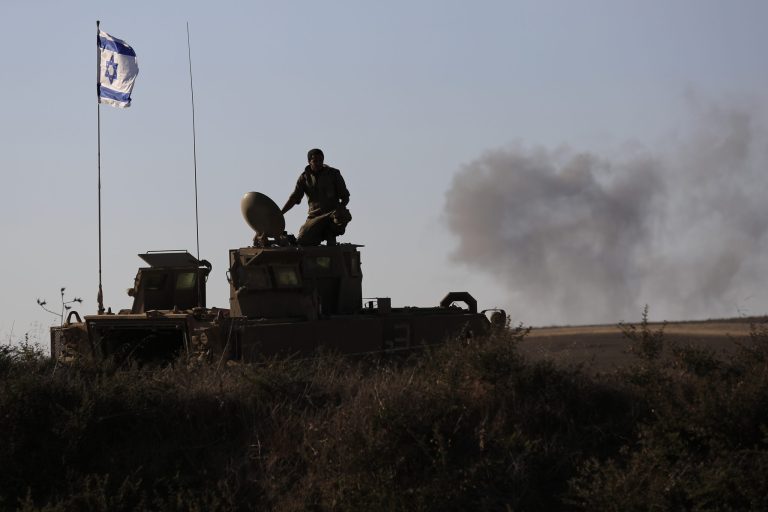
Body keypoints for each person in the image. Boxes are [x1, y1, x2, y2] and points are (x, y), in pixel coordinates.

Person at [281, 148, 351, 246]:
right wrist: (281, 213)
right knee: (302, 241)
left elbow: (345, 196)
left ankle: (330, 233)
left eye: (321, 160)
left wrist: (341, 208)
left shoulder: (333, 174)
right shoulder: (304, 178)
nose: (318, 163)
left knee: (342, 215)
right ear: (309, 162)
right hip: (315, 216)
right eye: (315, 161)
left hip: (332, 214)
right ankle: (320, 235)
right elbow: (294, 198)